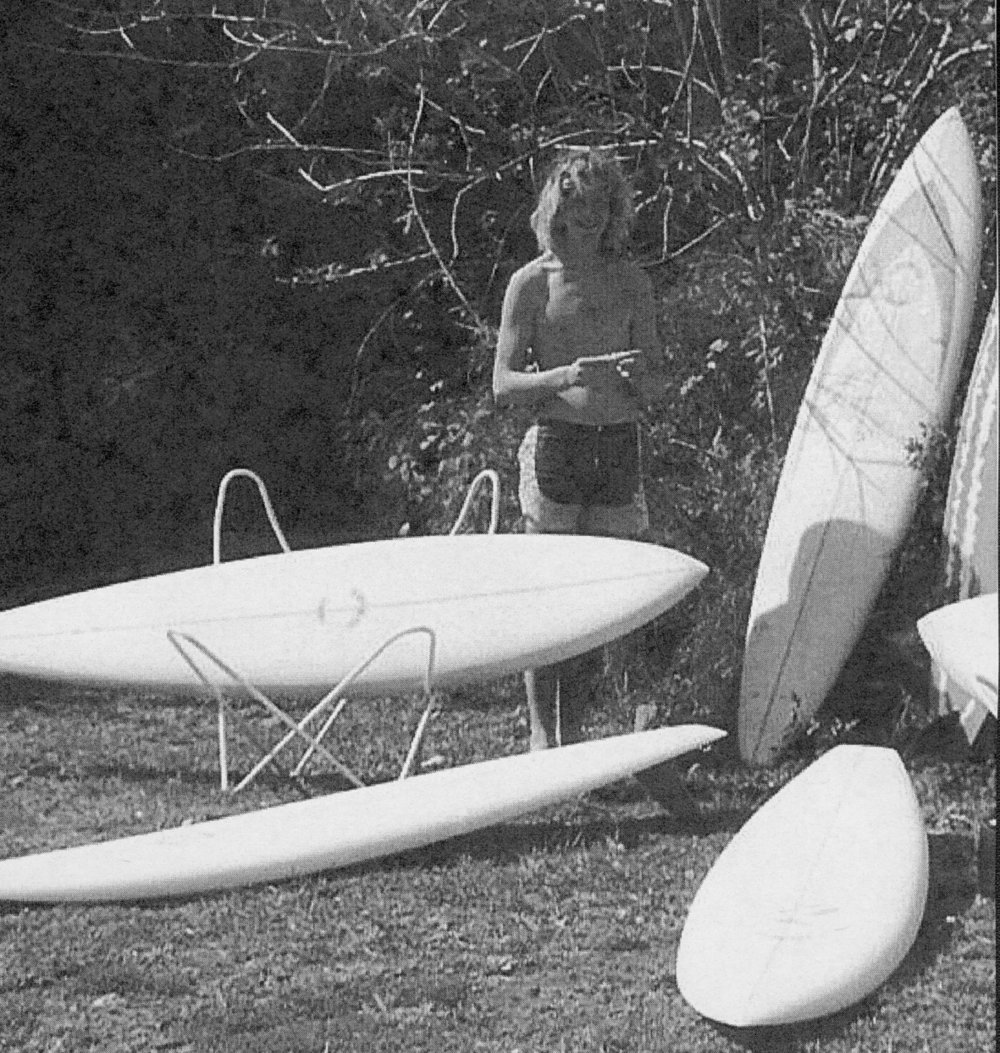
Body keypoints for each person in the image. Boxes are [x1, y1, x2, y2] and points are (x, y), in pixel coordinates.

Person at [492, 148, 671, 753]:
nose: (589, 216)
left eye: (600, 204)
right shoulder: (530, 285)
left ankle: (579, 731)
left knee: (602, 600)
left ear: (613, 209)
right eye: (577, 204)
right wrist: (562, 375)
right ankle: (543, 734)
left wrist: (633, 375)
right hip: (556, 449)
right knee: (549, 598)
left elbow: (655, 381)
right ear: (557, 208)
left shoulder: (631, 282)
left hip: (617, 446)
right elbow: (504, 384)